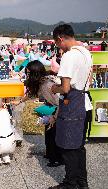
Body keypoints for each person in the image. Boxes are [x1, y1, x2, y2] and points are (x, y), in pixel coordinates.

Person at [50, 24, 92, 189]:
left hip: (72, 104)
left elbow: (65, 87)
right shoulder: (86, 52)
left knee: (68, 146)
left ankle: (70, 183)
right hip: (85, 102)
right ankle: (82, 182)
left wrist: (54, 88)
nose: (58, 47)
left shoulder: (69, 56)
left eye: (56, 43)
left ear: (60, 38)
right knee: (79, 146)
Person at [13, 60, 63, 167]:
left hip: (59, 111)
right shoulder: (41, 82)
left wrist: (53, 118)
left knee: (54, 134)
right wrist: (20, 101)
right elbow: (32, 94)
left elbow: (59, 103)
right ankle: (50, 154)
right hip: (53, 108)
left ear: (35, 74)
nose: (27, 76)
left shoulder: (46, 85)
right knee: (49, 133)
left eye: (29, 73)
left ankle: (57, 159)